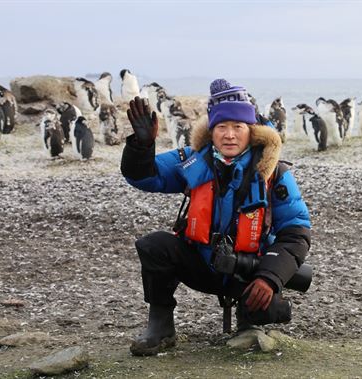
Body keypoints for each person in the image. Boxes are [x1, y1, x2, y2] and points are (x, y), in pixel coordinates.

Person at [121, 79, 311, 356]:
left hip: (249, 271)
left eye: (238, 127)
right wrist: (141, 146)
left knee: (264, 304)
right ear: (211, 130)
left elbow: (296, 232)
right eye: (222, 127)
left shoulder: (273, 173)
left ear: (252, 131)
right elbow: (144, 176)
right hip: (204, 263)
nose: (229, 135)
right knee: (155, 246)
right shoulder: (193, 160)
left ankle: (250, 323)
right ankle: (160, 326)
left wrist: (271, 277)